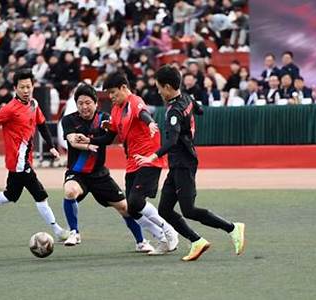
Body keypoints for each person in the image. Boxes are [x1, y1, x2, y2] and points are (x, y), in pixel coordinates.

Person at [135, 65, 245, 261]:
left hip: (184, 163)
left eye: (159, 87)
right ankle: (197, 241)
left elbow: (172, 140)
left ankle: (233, 228)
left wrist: (151, 157)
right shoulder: (187, 98)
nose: (158, 91)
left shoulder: (174, 111)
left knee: (189, 210)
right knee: (165, 210)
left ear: (168, 87)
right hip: (177, 163)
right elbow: (200, 110)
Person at [0, 69, 69, 242]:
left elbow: (42, 125)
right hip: (19, 163)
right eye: (22, 87)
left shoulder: (33, 104)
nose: (26, 90)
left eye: (28, 86)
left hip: (23, 161)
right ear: (15, 88)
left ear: (33, 86)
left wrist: (51, 146)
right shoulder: (10, 108)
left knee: (10, 195)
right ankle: (58, 231)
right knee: (40, 195)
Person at [80, 72, 179, 255]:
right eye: (109, 93)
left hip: (149, 159)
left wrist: (149, 124)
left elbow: (142, 114)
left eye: (113, 92)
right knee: (131, 209)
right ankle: (162, 239)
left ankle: (169, 230)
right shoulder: (116, 109)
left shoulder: (134, 101)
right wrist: (89, 141)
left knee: (136, 201)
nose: (111, 97)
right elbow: (109, 137)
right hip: (133, 162)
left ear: (124, 88)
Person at [60, 83, 154, 252]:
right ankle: (74, 232)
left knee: (125, 208)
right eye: (80, 103)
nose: (84, 107)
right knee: (69, 191)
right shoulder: (69, 120)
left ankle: (141, 242)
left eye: (88, 102)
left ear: (96, 103)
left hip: (100, 175)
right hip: (77, 173)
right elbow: (73, 140)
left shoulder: (104, 118)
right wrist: (87, 146)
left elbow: (110, 137)